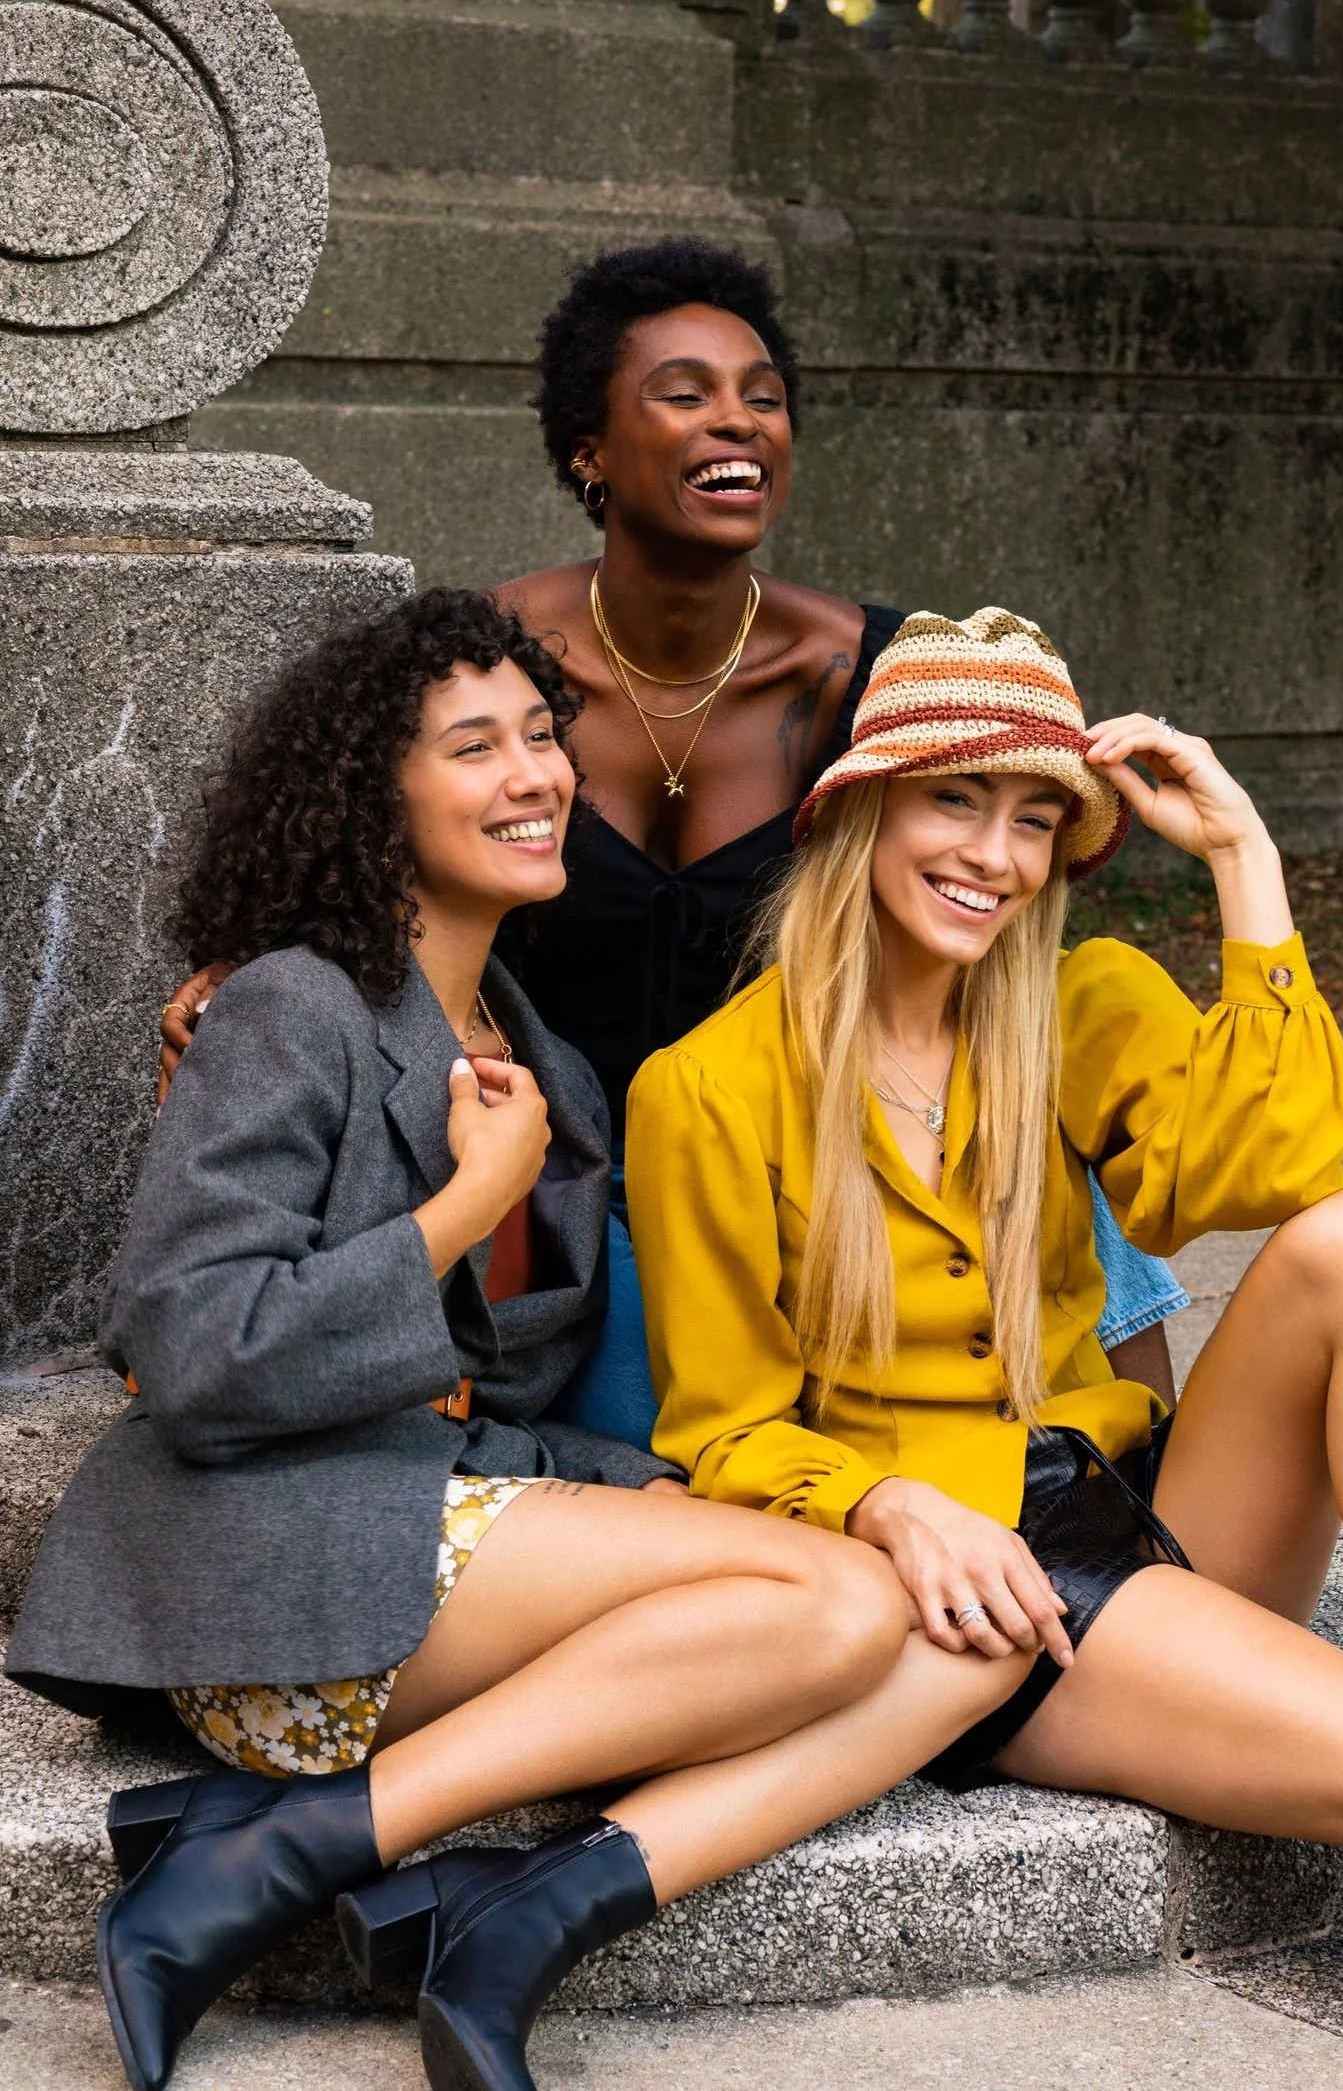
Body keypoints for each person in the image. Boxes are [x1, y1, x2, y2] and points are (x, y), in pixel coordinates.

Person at [9, 589, 1040, 2091]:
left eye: (545, 737)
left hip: (434, 1537)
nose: (535, 772)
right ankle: (299, 1844)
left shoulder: (541, 1057)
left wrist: (643, 1492)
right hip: (269, 1559)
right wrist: (460, 1208)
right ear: (376, 798)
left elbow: (501, 1400)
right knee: (839, 1604)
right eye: (474, 745)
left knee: (917, 1621)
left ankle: (404, 1890)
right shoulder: (293, 1005)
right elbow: (190, 1352)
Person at [157, 238, 1187, 1423]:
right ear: (589, 450)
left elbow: (992, 907)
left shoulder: (883, 673)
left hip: (833, 1159)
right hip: (574, 1182)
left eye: (764, 397)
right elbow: (359, 846)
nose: (738, 421)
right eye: (685, 394)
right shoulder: (482, 671)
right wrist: (250, 970)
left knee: (1038, 1121)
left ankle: (1144, 1495)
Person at [626, 605, 1343, 1950]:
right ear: (863, 813)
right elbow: (723, 1432)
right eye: (957, 802)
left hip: (1146, 1509)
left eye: (1036, 818)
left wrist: (1245, 862)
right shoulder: (705, 1091)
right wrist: (888, 1504)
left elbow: (1277, 1164)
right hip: (1003, 1597)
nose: (996, 855)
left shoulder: (1077, 1001)